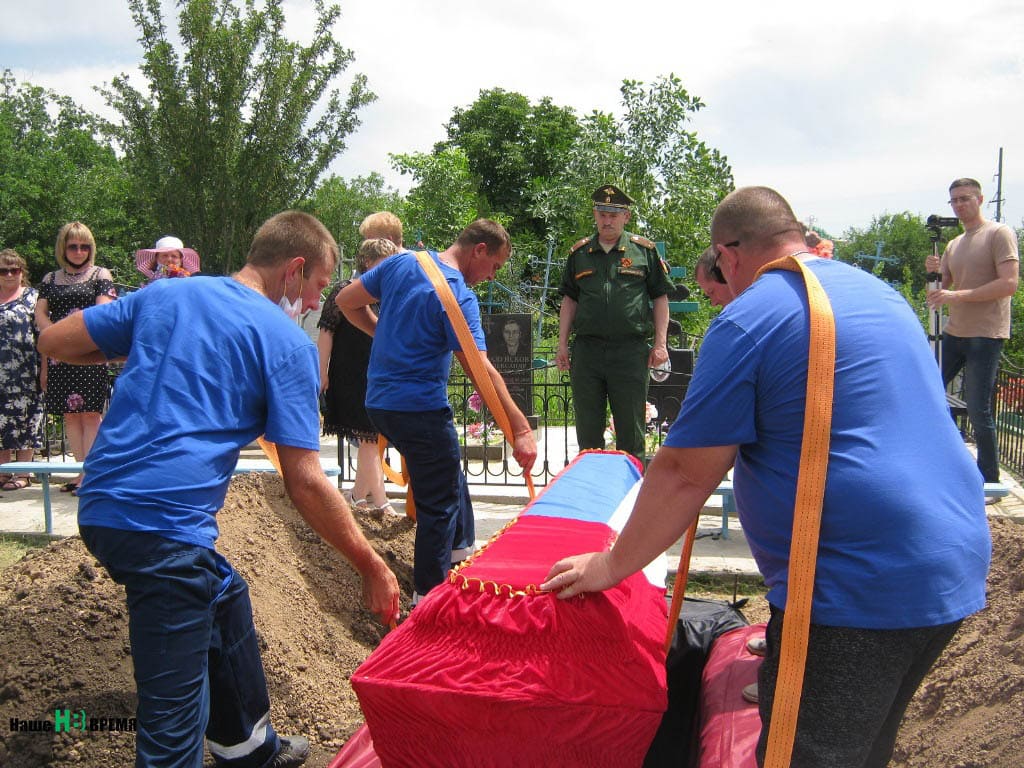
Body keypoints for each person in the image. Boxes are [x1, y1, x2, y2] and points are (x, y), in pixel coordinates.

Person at [543, 186, 991, 768]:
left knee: (801, 756)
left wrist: (610, 564)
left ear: (727, 256)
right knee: (859, 750)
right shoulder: (878, 294)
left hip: (856, 586)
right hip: (951, 556)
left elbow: (683, 472)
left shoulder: (751, 317)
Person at [38, 210, 400, 768]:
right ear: (293, 269)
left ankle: (248, 746)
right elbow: (305, 481)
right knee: (171, 724)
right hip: (163, 533)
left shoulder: (163, 298)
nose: (312, 304)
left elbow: (55, 341)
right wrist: (372, 566)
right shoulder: (286, 344)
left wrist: (142, 344)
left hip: (104, 505)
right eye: (317, 288)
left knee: (225, 594)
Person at [337, 219, 538, 605]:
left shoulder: (403, 263)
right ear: (479, 249)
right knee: (440, 504)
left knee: (447, 478)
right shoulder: (457, 296)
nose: (491, 277)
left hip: (379, 403)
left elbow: (347, 300)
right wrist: (520, 426)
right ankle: (427, 599)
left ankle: (460, 560)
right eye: (494, 266)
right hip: (420, 409)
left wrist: (381, 333)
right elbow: (482, 372)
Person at [556, 184, 673, 460]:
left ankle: (631, 498)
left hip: (630, 351)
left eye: (613, 214)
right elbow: (569, 301)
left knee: (631, 433)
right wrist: (561, 344)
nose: (607, 221)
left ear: (626, 217)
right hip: (588, 352)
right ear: (595, 215)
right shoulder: (579, 253)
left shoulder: (644, 251)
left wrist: (660, 344)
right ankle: (591, 497)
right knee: (588, 433)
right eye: (602, 214)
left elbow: (660, 298)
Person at [926, 177, 1019, 486]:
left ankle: (988, 481)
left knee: (979, 412)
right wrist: (932, 272)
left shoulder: (998, 233)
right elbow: (940, 290)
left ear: (980, 199)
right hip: (955, 332)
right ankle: (937, 460)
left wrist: (957, 296)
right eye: (954, 200)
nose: (959, 205)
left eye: (965, 198)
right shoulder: (954, 243)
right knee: (926, 391)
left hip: (986, 334)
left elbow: (1009, 284)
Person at [319, 238, 402, 514]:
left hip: (377, 375)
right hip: (349, 375)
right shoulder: (344, 290)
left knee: (373, 438)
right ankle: (381, 502)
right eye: (384, 261)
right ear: (368, 261)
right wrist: (322, 372)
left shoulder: (386, 294)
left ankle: (356, 496)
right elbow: (326, 331)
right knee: (368, 437)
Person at [35, 222, 117, 493]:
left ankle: (92, 474)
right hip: (59, 356)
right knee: (71, 416)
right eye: (73, 246)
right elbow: (40, 315)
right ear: (63, 248)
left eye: (85, 246)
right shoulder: (50, 279)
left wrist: (73, 337)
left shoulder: (99, 274)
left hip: (88, 352)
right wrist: (57, 339)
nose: (79, 251)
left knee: (91, 414)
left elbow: (103, 311)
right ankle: (80, 472)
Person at [0, 249, 45, 490]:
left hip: (26, 372)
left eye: (14, 269)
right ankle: (3, 471)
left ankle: (23, 472)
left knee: (27, 421)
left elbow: (43, 335)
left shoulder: (33, 297)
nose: (8, 274)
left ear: (21, 272)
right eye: (3, 270)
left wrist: (45, 367)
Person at [135, 235, 201, 282]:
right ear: (157, 258)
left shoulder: (187, 279)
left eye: (174, 256)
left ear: (180, 259)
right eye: (165, 255)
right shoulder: (154, 278)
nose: (169, 259)